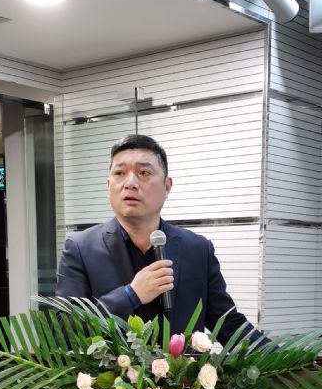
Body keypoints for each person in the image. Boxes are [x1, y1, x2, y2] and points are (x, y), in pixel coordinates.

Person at [55, 134, 262, 342]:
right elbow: (63, 331)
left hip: (183, 365)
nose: (130, 183)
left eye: (144, 172)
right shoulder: (81, 249)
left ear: (167, 186)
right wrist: (131, 295)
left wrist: (281, 357)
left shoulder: (198, 249)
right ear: (108, 185)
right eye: (120, 173)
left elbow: (229, 324)